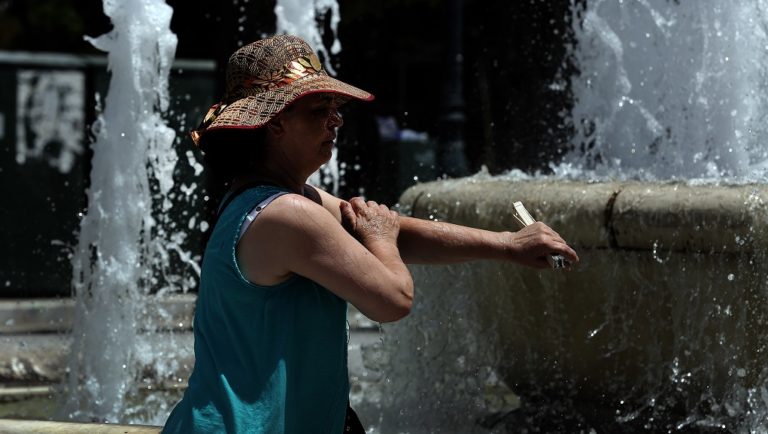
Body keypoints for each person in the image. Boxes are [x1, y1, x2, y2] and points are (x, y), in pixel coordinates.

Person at [162, 35, 579, 434]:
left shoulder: (279, 198)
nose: (336, 119)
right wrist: (380, 238)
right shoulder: (287, 214)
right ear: (274, 125)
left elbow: (399, 233)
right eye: (318, 109)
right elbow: (392, 298)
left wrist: (507, 244)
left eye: (335, 107)